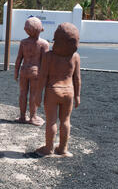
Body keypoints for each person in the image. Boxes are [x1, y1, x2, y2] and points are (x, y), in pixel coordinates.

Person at [34, 23, 81, 158]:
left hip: (53, 91)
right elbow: (77, 79)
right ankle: (63, 148)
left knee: (51, 121)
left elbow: (42, 77)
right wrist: (77, 95)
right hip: (69, 91)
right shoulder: (75, 57)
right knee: (66, 120)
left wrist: (37, 95)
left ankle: (49, 148)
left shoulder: (49, 57)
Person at [14, 17, 50, 126]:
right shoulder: (43, 44)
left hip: (24, 70)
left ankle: (22, 116)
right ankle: (33, 117)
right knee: (33, 94)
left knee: (23, 93)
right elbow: (46, 62)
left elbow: (19, 59)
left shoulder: (24, 42)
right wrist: (47, 76)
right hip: (35, 72)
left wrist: (16, 72)